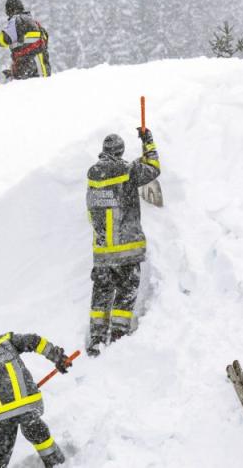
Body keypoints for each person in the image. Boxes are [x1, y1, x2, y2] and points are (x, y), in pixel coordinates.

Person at [85, 128, 160, 356]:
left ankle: (96, 339)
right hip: (126, 249)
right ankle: (117, 336)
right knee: (126, 292)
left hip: (102, 252)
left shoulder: (93, 175)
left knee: (101, 294)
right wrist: (147, 141)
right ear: (121, 151)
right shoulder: (128, 170)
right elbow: (153, 168)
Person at [0, 332, 71, 467]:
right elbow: (33, 340)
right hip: (28, 403)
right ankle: (56, 462)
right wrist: (57, 356)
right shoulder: (2, 341)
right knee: (37, 431)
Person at [0, 0, 51, 80]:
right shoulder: (34, 22)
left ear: (10, 10)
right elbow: (32, 43)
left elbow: (6, 38)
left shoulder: (17, 19)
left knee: (27, 87)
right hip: (42, 66)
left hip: (28, 64)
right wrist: (14, 72)